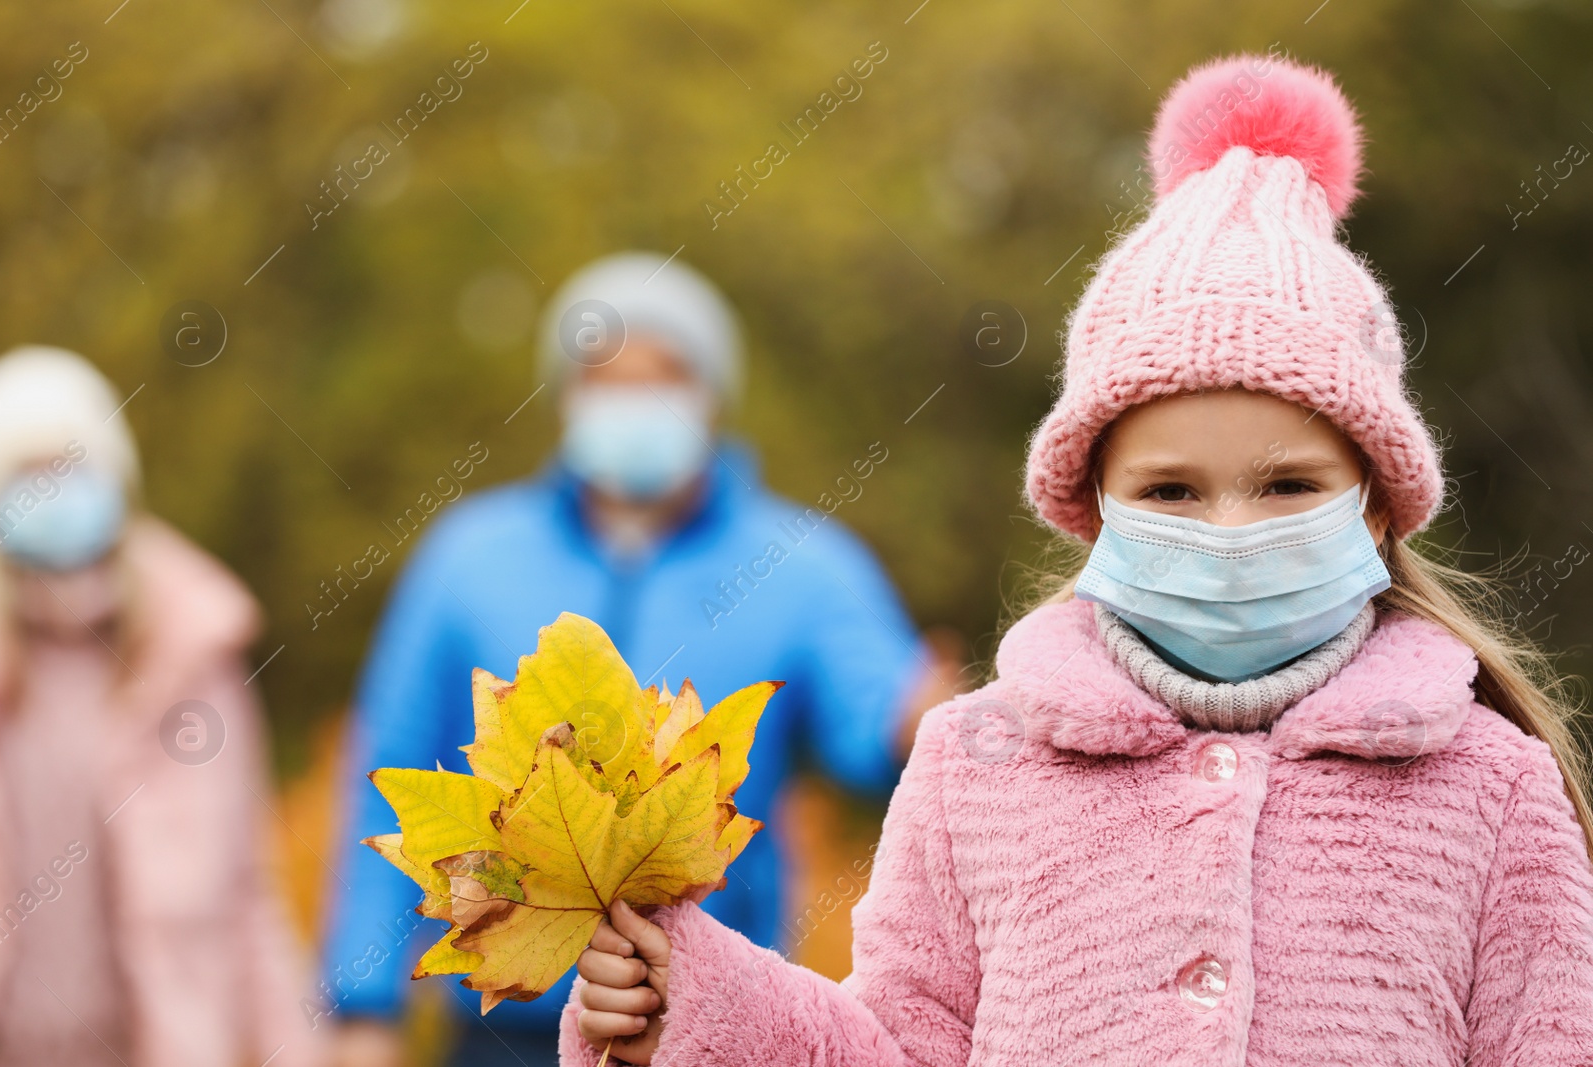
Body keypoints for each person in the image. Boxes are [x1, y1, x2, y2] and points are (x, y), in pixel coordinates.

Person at [564, 57, 1593, 1065]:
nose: (1229, 531)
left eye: (1286, 486)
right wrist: (689, 1002)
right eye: (1170, 491)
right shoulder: (977, 766)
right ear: (1094, 511)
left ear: (1376, 507)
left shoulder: (1492, 787)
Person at [323, 253, 961, 1066]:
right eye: (607, 377)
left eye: (662, 376)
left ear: (710, 398)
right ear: (566, 395)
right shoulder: (466, 557)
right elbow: (393, 774)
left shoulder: (804, 561)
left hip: (706, 1020)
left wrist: (917, 721)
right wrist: (360, 1000)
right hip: (500, 1026)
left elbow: (873, 724)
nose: (634, 400)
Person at [0, 346, 324, 1067]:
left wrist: (292, 1048)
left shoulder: (190, 651)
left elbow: (247, 886)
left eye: (69, 465)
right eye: (27, 473)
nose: (52, 491)